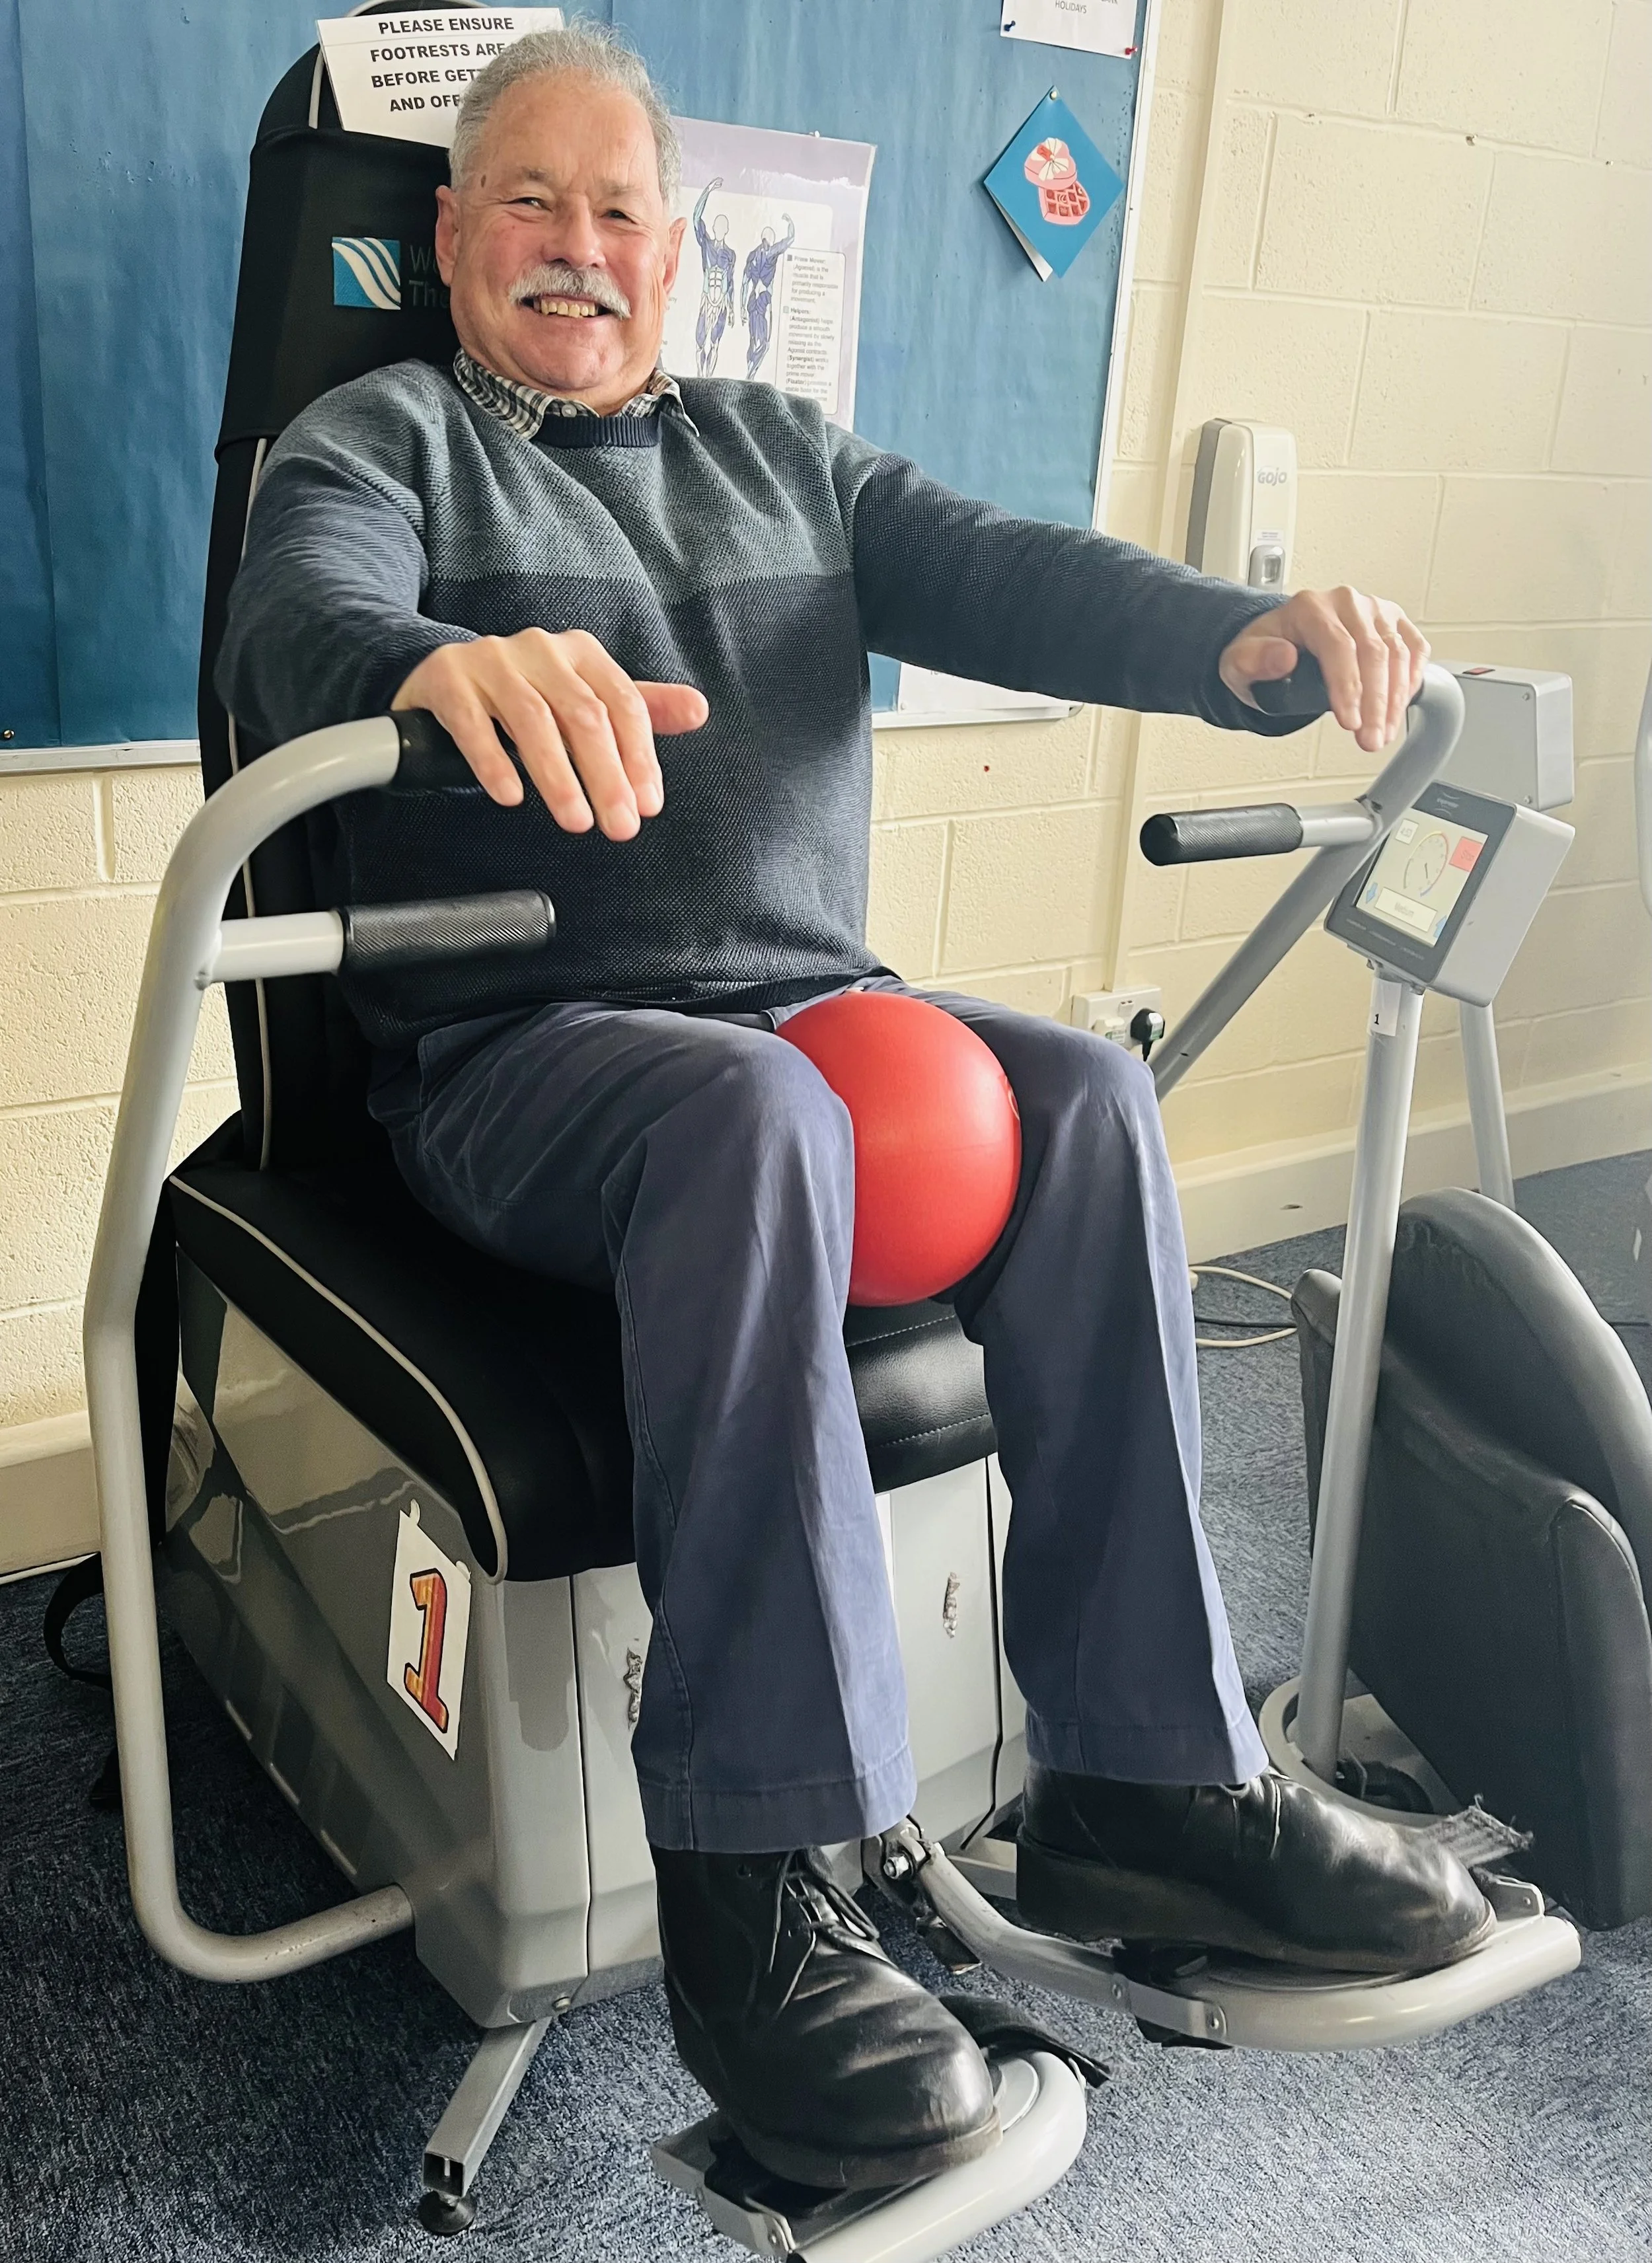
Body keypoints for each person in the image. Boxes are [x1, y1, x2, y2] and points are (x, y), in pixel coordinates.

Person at [217, 22, 1490, 2196]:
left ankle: (1147, 1781)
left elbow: (1014, 570)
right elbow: (296, 610)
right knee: (753, 1123)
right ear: (446, 239)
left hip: (811, 1018)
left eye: (619, 209)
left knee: (1080, 1096)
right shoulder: (385, 440)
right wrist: (431, 663)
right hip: (524, 1055)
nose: (577, 245)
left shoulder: (786, 451)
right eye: (527, 201)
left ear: (674, 250)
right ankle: (762, 1900)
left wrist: (1244, 642)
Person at [739, 212, 795, 377]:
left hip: (752, 301)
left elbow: (744, 283)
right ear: (770, 239)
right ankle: (750, 374)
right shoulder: (771, 253)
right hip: (763, 300)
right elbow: (790, 239)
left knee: (754, 340)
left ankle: (750, 372)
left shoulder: (753, 256)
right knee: (764, 343)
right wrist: (790, 222)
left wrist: (742, 307)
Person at [690, 176, 735, 376]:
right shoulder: (706, 245)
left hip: (721, 302)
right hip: (707, 299)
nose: (719, 230)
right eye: (717, 226)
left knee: (715, 343)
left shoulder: (730, 255)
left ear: (726, 230)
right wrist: (707, 190)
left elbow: (731, 282)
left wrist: (732, 309)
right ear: (714, 228)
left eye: (722, 227)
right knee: (700, 343)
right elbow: (696, 218)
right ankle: (700, 375)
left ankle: (708, 377)